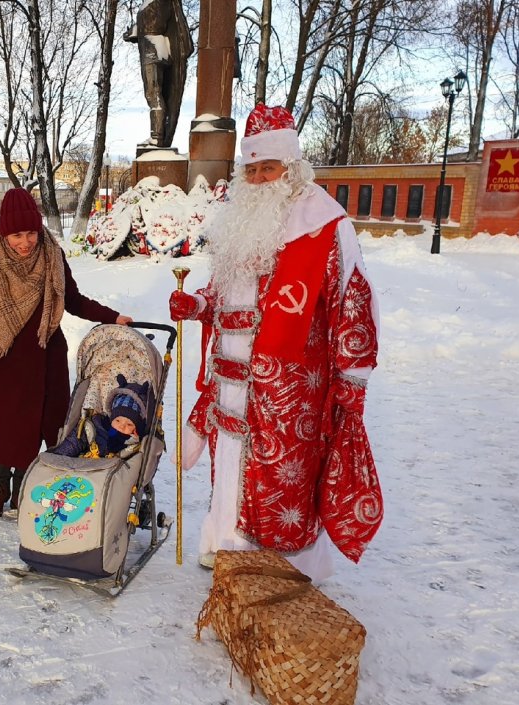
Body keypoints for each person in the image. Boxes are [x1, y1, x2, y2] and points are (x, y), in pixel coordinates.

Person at [169, 104, 383, 582]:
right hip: (230, 384)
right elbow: (225, 293)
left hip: (289, 394)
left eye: (270, 166)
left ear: (292, 168)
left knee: (281, 483)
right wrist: (200, 306)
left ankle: (282, 570)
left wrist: (353, 378)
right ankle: (227, 548)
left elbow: (353, 303)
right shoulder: (240, 221)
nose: (261, 177)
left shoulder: (326, 225)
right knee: (229, 467)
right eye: (253, 168)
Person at [0, 187, 133, 519]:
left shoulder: (52, 255)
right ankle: (0, 486)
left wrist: (111, 316)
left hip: (47, 357)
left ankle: (26, 487)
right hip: (9, 361)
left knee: (50, 425)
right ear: (4, 232)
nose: (26, 241)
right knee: (7, 428)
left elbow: (71, 299)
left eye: (30, 232)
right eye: (17, 234)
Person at [123, 0, 193, 148]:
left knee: (153, 94)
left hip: (153, 50)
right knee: (154, 94)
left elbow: (156, 23)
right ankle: (157, 136)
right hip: (153, 47)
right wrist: (133, 32)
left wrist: (142, 28)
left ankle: (157, 138)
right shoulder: (147, 3)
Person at [53, 375, 151, 459]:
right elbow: (74, 442)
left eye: (129, 424)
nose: (122, 426)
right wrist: (58, 456)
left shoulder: (136, 444)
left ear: (136, 427)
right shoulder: (97, 427)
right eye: (117, 420)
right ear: (111, 418)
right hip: (83, 471)